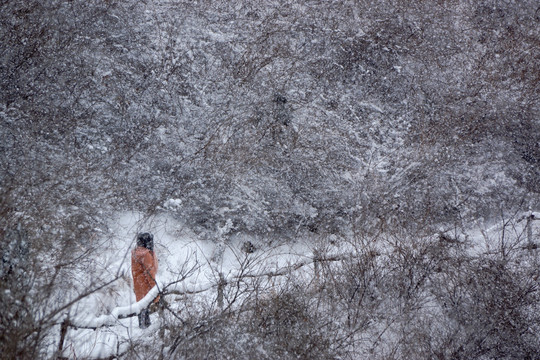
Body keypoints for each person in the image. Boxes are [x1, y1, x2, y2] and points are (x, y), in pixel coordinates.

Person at [131, 232, 159, 328]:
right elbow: (150, 273)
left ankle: (142, 325)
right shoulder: (146, 255)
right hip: (146, 285)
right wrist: (156, 291)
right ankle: (145, 328)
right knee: (145, 306)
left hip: (138, 284)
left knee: (141, 306)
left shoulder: (135, 253)